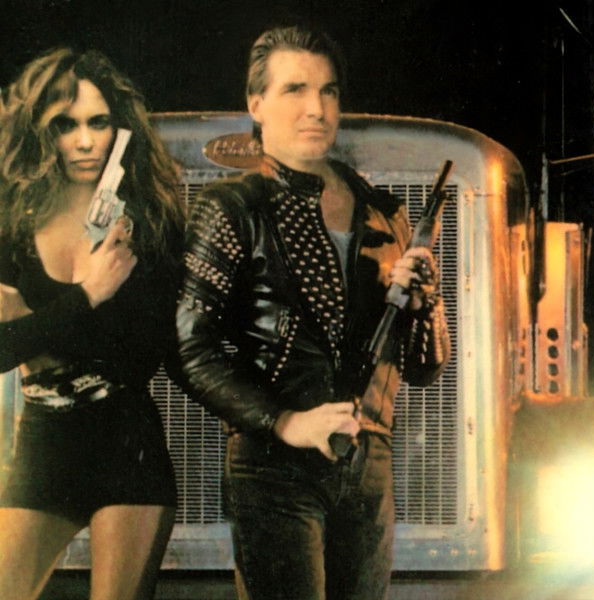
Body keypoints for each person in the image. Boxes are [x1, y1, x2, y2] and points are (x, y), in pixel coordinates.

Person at [177, 25, 450, 600]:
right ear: (256, 104)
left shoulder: (383, 212)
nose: (316, 109)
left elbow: (425, 369)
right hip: (275, 465)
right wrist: (284, 422)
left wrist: (424, 304)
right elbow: (190, 349)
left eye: (328, 92)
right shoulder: (232, 206)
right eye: (295, 89)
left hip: (367, 463)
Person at [0, 47, 185, 600]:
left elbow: (147, 355)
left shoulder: (148, 221)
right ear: (40, 131)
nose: (84, 141)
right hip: (43, 445)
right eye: (66, 124)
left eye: (98, 122)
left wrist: (35, 326)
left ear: (119, 128)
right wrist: (89, 294)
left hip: (126, 447)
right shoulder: (12, 225)